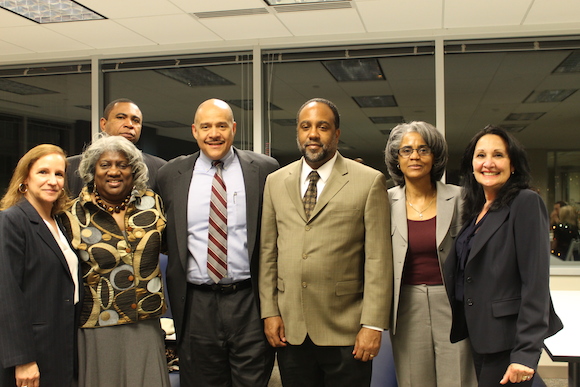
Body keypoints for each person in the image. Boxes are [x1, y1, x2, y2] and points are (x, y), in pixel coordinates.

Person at [259, 98, 392, 387]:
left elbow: (379, 260)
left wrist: (372, 325)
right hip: (291, 328)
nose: (313, 134)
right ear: (298, 132)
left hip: (346, 330)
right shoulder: (275, 181)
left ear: (337, 133)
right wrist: (269, 311)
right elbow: (268, 253)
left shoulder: (369, 182)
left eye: (323, 127)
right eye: (306, 127)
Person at [157, 98, 279, 387]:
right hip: (196, 303)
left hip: (249, 301)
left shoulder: (264, 170)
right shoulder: (170, 175)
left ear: (233, 128)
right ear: (194, 131)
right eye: (206, 126)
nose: (214, 133)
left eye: (221, 125)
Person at [443, 125, 563, 386]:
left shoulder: (525, 202)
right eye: (480, 155)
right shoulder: (477, 209)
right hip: (482, 336)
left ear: (513, 165)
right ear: (471, 164)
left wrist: (525, 354)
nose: (488, 163)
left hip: (508, 341)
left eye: (498, 155)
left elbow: (535, 283)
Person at [61, 135, 170, 387]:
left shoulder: (152, 203)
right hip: (98, 325)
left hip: (146, 321)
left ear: (134, 170)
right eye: (105, 165)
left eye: (122, 165)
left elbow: (171, 247)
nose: (114, 171)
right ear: (92, 171)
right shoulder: (72, 214)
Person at [384, 121, 476, 387]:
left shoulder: (462, 198)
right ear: (396, 159)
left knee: (458, 378)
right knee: (414, 380)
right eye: (407, 150)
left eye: (423, 149)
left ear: (434, 156)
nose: (415, 156)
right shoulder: (383, 201)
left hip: (452, 303)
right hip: (406, 305)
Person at [0, 144, 79, 387]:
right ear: (25, 178)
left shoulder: (59, 222)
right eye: (43, 172)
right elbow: (7, 293)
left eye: (59, 174)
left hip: (62, 344)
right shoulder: (12, 221)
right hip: (33, 351)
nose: (52, 181)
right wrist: (22, 359)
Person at [67, 98, 166, 196]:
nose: (129, 124)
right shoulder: (69, 167)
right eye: (121, 117)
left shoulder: (160, 168)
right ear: (103, 124)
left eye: (135, 120)